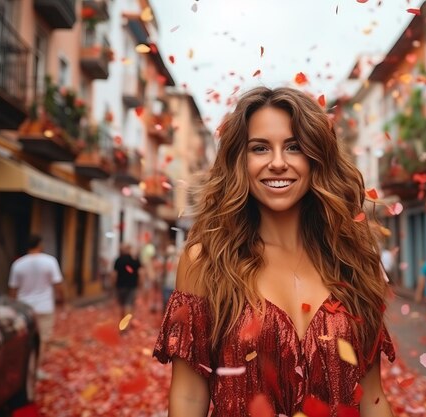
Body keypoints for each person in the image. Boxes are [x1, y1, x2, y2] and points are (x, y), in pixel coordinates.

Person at [153, 87, 396, 416]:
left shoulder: (353, 261)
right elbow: (188, 397)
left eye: (294, 147)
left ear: (315, 158)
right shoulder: (206, 262)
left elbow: (372, 397)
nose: (278, 163)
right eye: (260, 148)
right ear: (241, 160)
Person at [8, 234, 65, 373]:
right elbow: (58, 284)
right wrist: (62, 299)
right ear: (40, 245)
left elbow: (13, 289)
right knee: (43, 339)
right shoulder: (50, 261)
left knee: (25, 340)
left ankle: (25, 368)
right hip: (44, 307)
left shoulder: (18, 264)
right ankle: (36, 369)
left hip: (25, 308)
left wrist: (13, 306)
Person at [112, 243, 141, 320]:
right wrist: (140, 284)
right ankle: (126, 325)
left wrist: (113, 284)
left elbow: (114, 274)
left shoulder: (118, 260)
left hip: (120, 285)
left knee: (122, 305)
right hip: (132, 285)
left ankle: (122, 322)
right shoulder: (134, 261)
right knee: (129, 304)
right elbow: (141, 273)